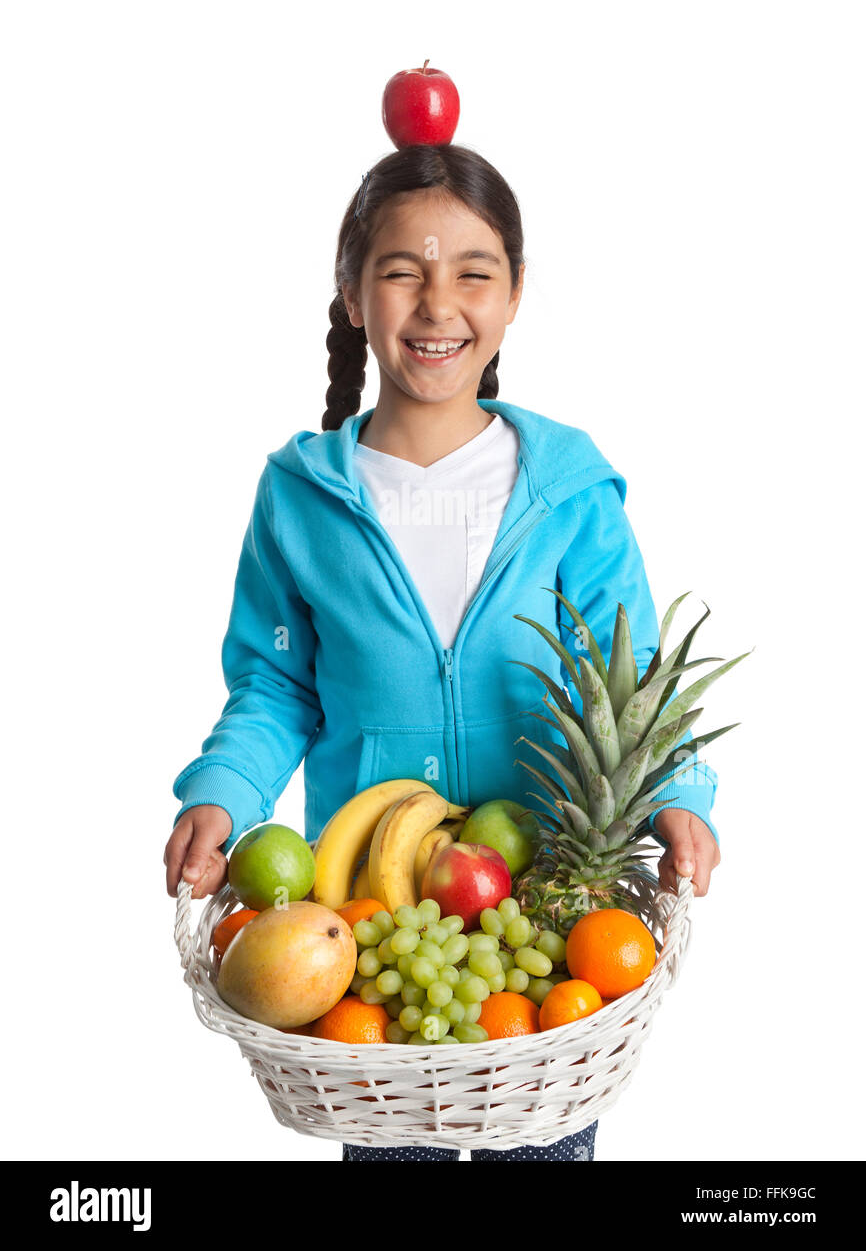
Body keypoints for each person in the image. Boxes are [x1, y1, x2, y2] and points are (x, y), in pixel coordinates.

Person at [164, 143, 721, 1161]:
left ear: (511, 296)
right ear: (349, 295)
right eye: (400, 271)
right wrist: (223, 790)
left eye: (471, 271)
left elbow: (631, 676)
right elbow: (274, 680)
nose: (436, 304)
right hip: (365, 930)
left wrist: (678, 788)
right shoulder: (300, 495)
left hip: (549, 916)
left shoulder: (568, 489)